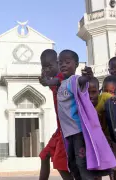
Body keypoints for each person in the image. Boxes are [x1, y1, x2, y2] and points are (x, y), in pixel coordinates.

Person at [41, 49, 116, 180]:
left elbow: (82, 80)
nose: (63, 65)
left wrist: (88, 76)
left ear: (76, 64)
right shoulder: (60, 82)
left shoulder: (74, 80)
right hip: (67, 134)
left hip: (78, 132)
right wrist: (44, 80)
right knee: (72, 165)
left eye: (67, 62)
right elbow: (50, 82)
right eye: (61, 63)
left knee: (82, 165)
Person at [38, 49, 74, 180]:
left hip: (67, 131)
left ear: (58, 64)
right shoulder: (53, 79)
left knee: (60, 164)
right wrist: (46, 79)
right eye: (44, 67)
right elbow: (50, 82)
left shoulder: (62, 78)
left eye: (50, 66)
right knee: (44, 155)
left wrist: (47, 81)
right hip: (59, 129)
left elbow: (56, 82)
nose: (47, 69)